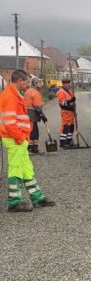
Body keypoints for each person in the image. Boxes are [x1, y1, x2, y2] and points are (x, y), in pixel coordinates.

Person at [0, 69, 55, 212]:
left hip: (19, 139)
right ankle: (14, 202)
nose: (27, 85)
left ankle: (37, 197)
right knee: (16, 169)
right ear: (19, 81)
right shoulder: (10, 96)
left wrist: (22, 138)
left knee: (26, 169)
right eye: (26, 82)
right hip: (14, 139)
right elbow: (9, 122)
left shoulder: (15, 94)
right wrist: (19, 137)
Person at [24, 77, 48, 154]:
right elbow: (37, 108)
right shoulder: (36, 93)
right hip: (32, 114)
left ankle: (33, 148)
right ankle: (31, 149)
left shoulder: (28, 91)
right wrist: (43, 117)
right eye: (39, 82)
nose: (41, 84)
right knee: (33, 132)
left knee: (32, 131)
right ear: (35, 84)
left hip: (27, 113)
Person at [56, 76, 76, 148]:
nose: (68, 84)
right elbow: (62, 104)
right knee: (66, 127)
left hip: (71, 112)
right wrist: (71, 101)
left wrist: (74, 109)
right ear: (63, 84)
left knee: (71, 127)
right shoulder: (61, 92)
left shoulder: (69, 91)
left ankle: (69, 141)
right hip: (66, 111)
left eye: (69, 83)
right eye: (67, 83)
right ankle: (63, 142)